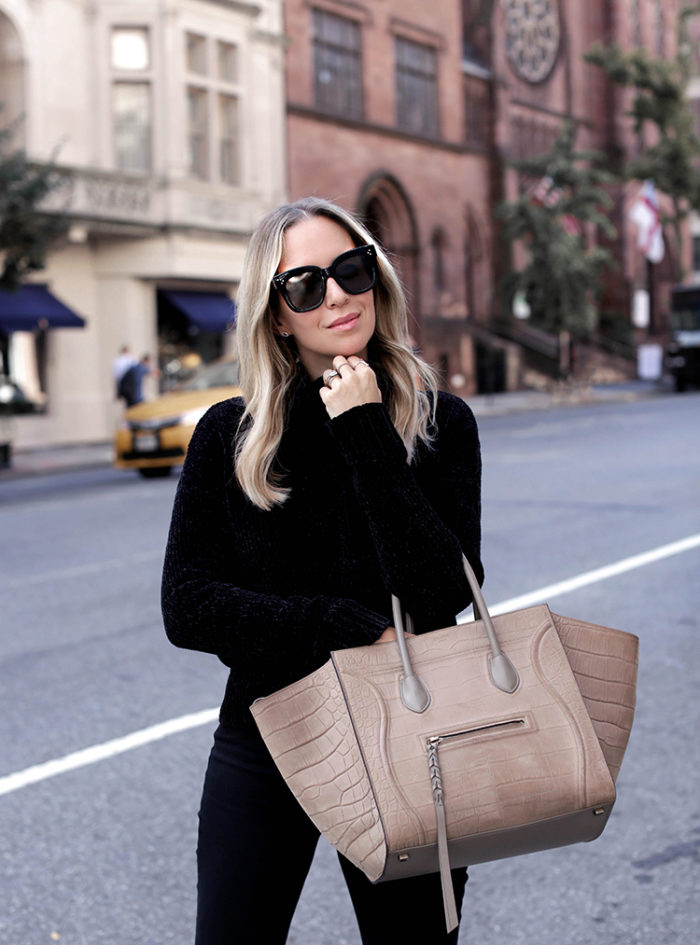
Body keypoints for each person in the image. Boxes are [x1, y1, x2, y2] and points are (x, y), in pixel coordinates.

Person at [161, 197, 484, 945]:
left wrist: (367, 428)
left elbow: (442, 592)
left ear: (376, 279)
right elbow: (189, 604)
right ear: (277, 314)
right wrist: (341, 624)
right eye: (305, 284)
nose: (336, 294)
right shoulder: (229, 436)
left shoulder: (440, 423)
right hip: (268, 736)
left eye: (350, 269)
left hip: (408, 735)